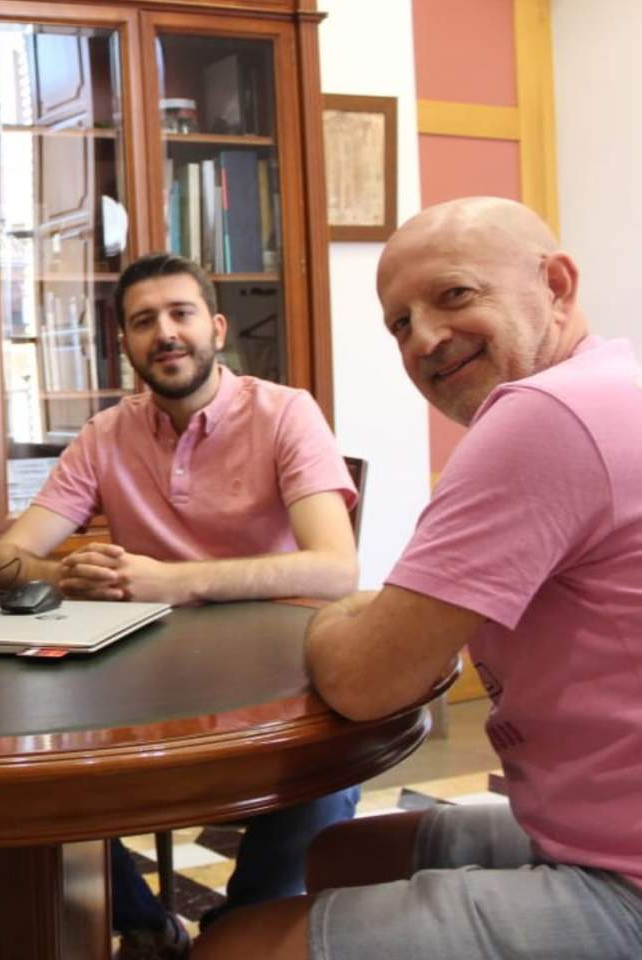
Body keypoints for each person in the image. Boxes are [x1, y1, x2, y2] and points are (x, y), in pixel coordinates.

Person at [195, 198, 642, 959]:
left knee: (231, 945)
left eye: (454, 295)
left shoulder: (541, 415)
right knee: (338, 855)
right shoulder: (614, 377)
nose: (425, 338)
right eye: (398, 323)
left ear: (556, 285)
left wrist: (347, 619)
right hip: (595, 815)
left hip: (621, 875)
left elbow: (366, 676)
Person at [0, 253, 360, 959]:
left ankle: (236, 937)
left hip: (276, 670)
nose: (165, 333)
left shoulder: (285, 413)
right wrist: (67, 574)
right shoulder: (105, 434)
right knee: (32, 760)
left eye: (180, 313)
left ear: (214, 326)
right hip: (143, 675)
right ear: (124, 343)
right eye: (143, 321)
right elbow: (0, 563)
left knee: (322, 779)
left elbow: (336, 569)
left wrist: (177, 580)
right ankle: (146, 925)